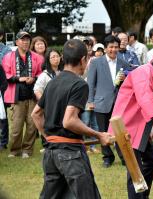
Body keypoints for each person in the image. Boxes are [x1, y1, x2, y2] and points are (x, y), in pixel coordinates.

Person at [31, 39, 113, 199]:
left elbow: (36, 114)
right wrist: (99, 135)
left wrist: (49, 138)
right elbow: (69, 120)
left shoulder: (53, 82)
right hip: (71, 154)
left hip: (51, 154)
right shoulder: (79, 84)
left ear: (63, 58)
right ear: (83, 59)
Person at [108, 45, 153, 199]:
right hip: (125, 127)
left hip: (140, 128)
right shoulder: (144, 71)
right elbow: (144, 96)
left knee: (152, 159)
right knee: (135, 172)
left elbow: (151, 101)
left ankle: (143, 195)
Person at [87, 35, 131, 167]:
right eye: (111, 47)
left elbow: (129, 83)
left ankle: (124, 157)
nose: (113, 49)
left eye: (116, 47)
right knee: (103, 131)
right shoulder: (96, 62)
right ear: (105, 48)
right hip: (101, 102)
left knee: (120, 131)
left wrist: (125, 79)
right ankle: (107, 157)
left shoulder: (123, 62)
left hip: (119, 103)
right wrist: (90, 100)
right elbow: (90, 83)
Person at [2, 31, 43, 158]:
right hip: (17, 95)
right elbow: (5, 74)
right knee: (16, 126)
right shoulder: (8, 57)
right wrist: (19, 79)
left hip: (32, 95)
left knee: (32, 125)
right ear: (17, 42)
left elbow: (41, 73)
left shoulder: (37, 57)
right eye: (22, 39)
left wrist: (34, 78)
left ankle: (27, 150)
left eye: (27, 40)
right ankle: (14, 150)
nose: (25, 42)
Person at [0, 28, 11, 150]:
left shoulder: (7, 51)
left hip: (2, 86)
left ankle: (3, 142)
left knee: (2, 116)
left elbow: (7, 68)